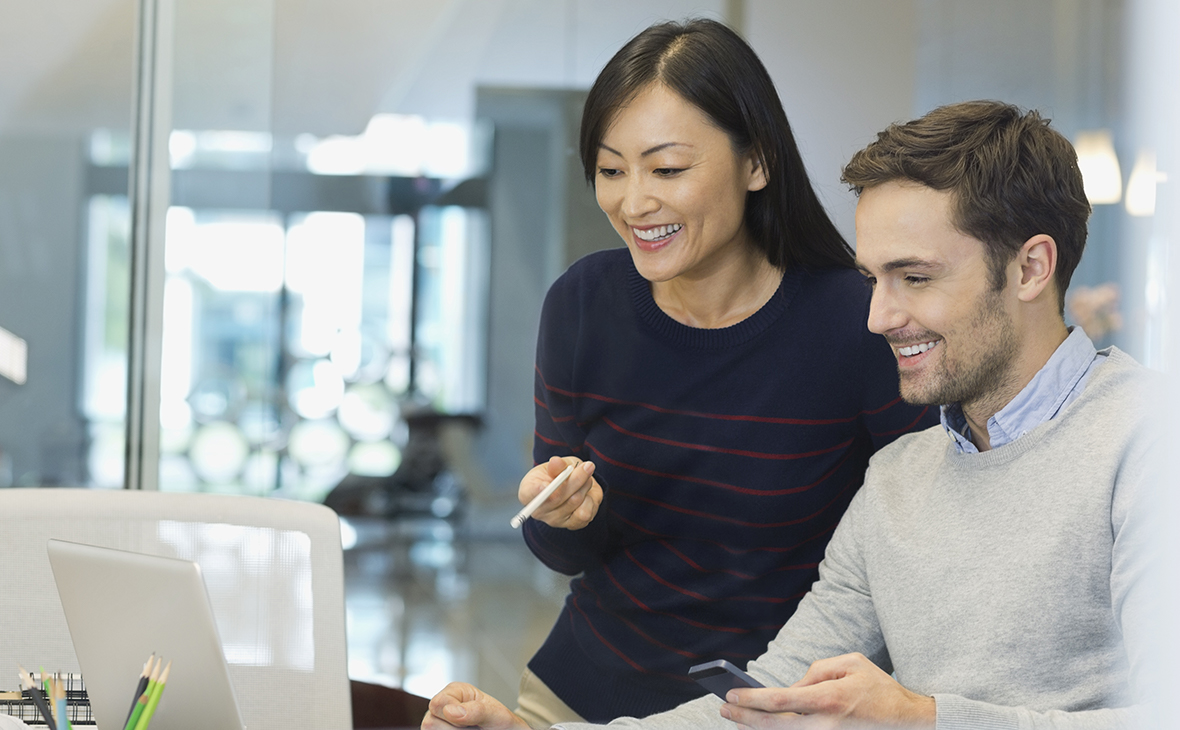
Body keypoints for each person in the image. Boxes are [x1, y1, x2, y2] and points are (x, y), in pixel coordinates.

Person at [422, 100, 1159, 730]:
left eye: (915, 278)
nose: (877, 317)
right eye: (873, 279)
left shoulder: (1148, 446)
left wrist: (922, 718)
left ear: (1031, 267)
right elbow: (764, 700)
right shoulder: (898, 478)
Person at [506, 17, 935, 727]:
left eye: (667, 169)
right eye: (612, 170)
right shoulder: (584, 304)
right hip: (579, 696)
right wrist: (557, 515)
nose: (633, 202)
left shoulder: (858, 323)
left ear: (756, 163)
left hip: (770, 709)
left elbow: (914, 554)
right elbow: (567, 553)